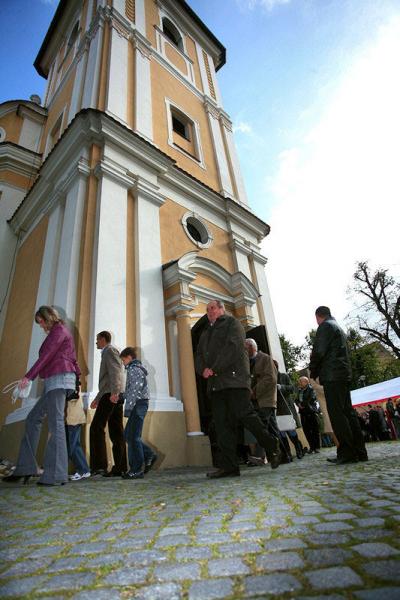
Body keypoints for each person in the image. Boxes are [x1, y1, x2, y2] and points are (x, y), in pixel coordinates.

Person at [195, 300, 281, 478]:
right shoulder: (205, 333)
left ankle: (272, 445)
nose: (209, 311)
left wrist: (214, 368)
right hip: (216, 384)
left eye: (213, 308)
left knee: (246, 416)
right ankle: (230, 466)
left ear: (221, 309)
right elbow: (198, 355)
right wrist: (202, 369)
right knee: (222, 425)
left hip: (235, 380)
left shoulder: (232, 324)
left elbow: (232, 348)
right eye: (207, 309)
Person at [3, 306, 80, 486]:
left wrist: (28, 376)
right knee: (32, 419)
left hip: (59, 379)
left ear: (48, 318)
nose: (41, 326)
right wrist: (77, 378)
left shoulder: (59, 330)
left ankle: (56, 474)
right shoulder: (58, 332)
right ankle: (25, 468)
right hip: (55, 380)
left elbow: (46, 356)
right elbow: (73, 360)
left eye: (41, 322)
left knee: (56, 424)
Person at [309, 306, 368, 465]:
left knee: (337, 415)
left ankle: (347, 452)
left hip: (332, 376)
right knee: (348, 413)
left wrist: (312, 371)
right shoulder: (338, 328)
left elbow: (319, 351)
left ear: (318, 317)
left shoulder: (325, 327)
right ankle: (360, 451)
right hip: (343, 374)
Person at [90, 331, 127, 477]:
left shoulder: (109, 350)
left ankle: (99, 466)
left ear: (104, 339)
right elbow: (108, 379)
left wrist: (115, 393)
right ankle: (121, 467)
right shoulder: (108, 352)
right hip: (110, 394)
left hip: (111, 395)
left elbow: (116, 372)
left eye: (97, 339)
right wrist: (97, 398)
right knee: (116, 431)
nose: (96, 342)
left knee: (96, 428)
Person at [119, 347, 157, 480]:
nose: (123, 363)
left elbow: (134, 391)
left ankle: (136, 469)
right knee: (129, 435)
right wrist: (121, 397)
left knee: (133, 437)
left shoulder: (134, 370)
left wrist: (128, 408)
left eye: (123, 360)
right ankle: (149, 455)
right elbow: (131, 390)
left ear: (129, 357)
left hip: (138, 405)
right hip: (139, 403)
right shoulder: (135, 369)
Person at [244, 339, 279, 464]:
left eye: (245, 347)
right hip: (255, 401)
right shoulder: (247, 362)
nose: (244, 350)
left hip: (266, 399)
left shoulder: (265, 358)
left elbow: (271, 378)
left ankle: (260, 455)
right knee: (272, 429)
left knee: (261, 425)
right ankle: (283, 455)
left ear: (252, 347)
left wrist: (255, 391)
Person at [273, 359, 305, 460]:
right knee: (281, 433)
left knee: (290, 431)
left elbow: (292, 388)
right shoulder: (268, 378)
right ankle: (288, 454)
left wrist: (281, 387)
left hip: (285, 408)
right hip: (275, 409)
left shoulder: (283, 376)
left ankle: (298, 449)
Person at [66, 394, 91, 481]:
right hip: (73, 418)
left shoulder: (72, 386)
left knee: (70, 445)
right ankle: (84, 470)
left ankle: (58, 471)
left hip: (73, 418)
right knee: (75, 445)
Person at [296, 376, 321, 454]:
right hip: (303, 412)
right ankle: (311, 447)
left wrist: (303, 404)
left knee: (314, 429)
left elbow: (312, 398)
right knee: (306, 430)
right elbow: (296, 399)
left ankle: (316, 447)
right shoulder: (299, 390)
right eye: (299, 381)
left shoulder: (311, 389)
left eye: (301, 381)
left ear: (306, 382)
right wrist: (298, 404)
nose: (299, 383)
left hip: (310, 411)